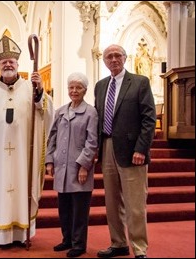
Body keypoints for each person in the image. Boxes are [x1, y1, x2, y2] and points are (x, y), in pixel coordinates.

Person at [0, 35, 54, 246]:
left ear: (18, 65)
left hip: (23, 154)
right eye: (4, 62)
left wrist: (39, 94)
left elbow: (47, 114)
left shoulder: (31, 87)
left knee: (22, 188)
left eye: (11, 61)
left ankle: (20, 234)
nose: (8, 64)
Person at [94, 44, 156, 258]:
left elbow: (149, 119)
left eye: (117, 55)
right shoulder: (100, 86)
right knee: (112, 202)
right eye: (109, 56)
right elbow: (98, 118)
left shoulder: (139, 82)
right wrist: (96, 148)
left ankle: (139, 248)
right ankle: (118, 243)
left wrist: (141, 148)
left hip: (133, 151)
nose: (113, 59)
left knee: (135, 203)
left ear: (125, 58)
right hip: (107, 147)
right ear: (104, 61)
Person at [46, 72, 98, 257]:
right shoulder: (60, 111)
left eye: (78, 88)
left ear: (85, 90)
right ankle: (66, 239)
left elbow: (92, 142)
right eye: (71, 87)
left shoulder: (90, 112)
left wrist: (84, 166)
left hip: (79, 169)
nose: (74, 91)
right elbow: (51, 137)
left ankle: (79, 244)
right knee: (64, 208)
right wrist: (49, 160)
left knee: (79, 210)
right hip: (62, 167)